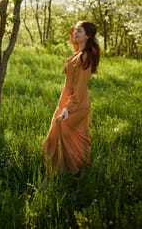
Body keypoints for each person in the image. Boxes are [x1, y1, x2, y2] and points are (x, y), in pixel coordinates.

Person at [43, 21, 100, 180]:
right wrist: (76, 29)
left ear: (87, 36)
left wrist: (69, 108)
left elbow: (80, 87)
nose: (75, 33)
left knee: (59, 133)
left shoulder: (84, 57)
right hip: (69, 101)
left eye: (79, 31)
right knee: (70, 136)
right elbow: (74, 38)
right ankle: (69, 171)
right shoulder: (78, 52)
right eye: (75, 30)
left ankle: (65, 173)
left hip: (76, 103)